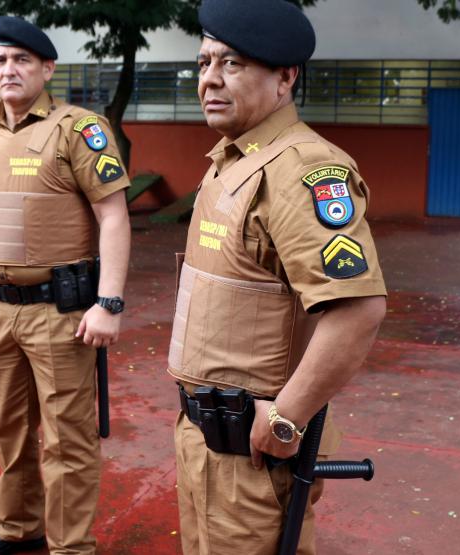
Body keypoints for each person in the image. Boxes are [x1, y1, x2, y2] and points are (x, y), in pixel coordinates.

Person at [167, 1, 388, 553]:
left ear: (285, 78)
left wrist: (287, 419)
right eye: (204, 63)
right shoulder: (231, 161)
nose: (209, 79)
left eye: (232, 64)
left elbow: (357, 309)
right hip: (205, 437)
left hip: (253, 453)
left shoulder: (301, 169)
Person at [0, 15, 131, 555]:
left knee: (68, 438)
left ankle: (71, 547)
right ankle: (18, 527)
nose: (9, 69)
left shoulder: (78, 129)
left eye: (22, 59)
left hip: (59, 313)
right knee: (11, 429)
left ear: (47, 68)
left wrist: (109, 302)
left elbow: (113, 215)